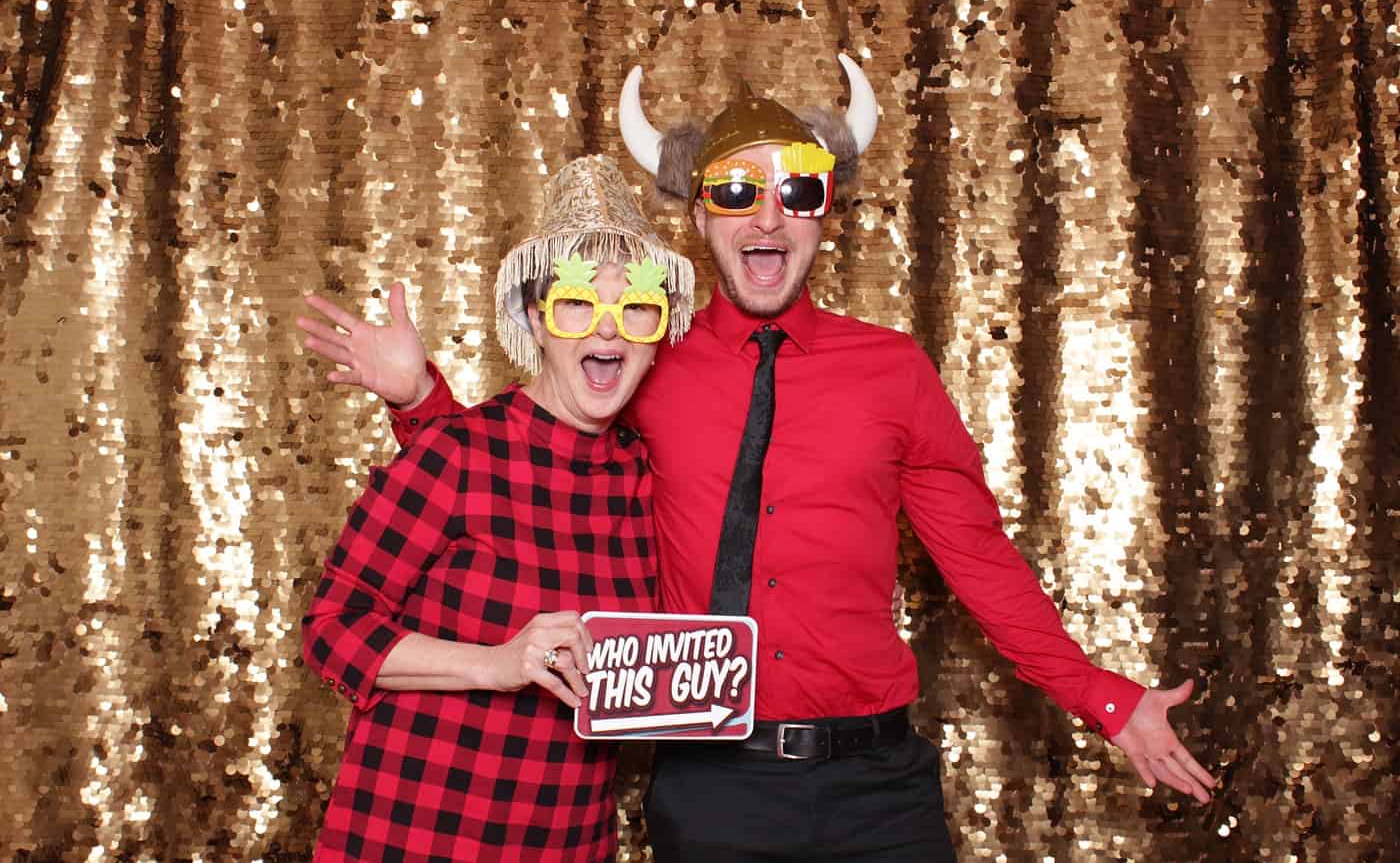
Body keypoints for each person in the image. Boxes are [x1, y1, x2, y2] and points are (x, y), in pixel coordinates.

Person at [305, 58, 1215, 861]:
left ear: (825, 214)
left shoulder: (892, 371)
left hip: (878, 785)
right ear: (700, 216)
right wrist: (420, 400)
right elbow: (524, 467)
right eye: (738, 193)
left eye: (798, 192)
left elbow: (978, 556)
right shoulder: (648, 364)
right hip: (712, 786)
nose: (768, 216)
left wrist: (1105, 697)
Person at [299, 155, 695, 862]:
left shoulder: (646, 479)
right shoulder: (457, 450)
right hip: (414, 838)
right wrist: (497, 663)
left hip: (566, 842)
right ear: (537, 320)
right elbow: (331, 628)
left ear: (657, 331)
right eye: (578, 302)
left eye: (635, 305)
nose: (608, 330)